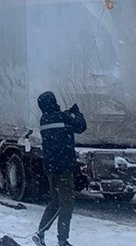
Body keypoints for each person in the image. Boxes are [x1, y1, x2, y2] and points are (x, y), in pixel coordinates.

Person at [33, 91, 87, 246]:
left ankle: (40, 233)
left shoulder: (44, 120)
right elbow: (81, 127)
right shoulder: (63, 117)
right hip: (63, 167)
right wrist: (77, 113)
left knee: (55, 201)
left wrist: (68, 115)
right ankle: (62, 240)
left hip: (50, 167)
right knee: (67, 203)